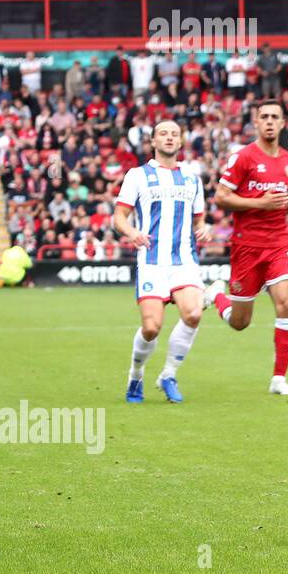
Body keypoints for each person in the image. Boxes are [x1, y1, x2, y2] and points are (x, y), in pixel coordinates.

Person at [204, 100, 288, 396]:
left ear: (283, 123)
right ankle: (216, 295)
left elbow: (283, 203)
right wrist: (259, 203)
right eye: (264, 117)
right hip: (246, 248)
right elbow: (220, 197)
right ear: (255, 123)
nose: (269, 122)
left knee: (285, 301)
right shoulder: (242, 157)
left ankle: (279, 379)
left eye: (275, 117)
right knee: (240, 322)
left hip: (278, 244)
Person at [112, 120, 212, 404]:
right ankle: (136, 375)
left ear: (181, 142)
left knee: (193, 313)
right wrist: (132, 232)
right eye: (163, 134)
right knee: (152, 327)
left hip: (183, 260)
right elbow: (119, 216)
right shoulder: (138, 175)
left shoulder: (192, 178)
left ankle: (169, 374)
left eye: (174, 134)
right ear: (153, 142)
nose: (169, 138)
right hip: (152, 261)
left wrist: (204, 228)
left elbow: (199, 217)